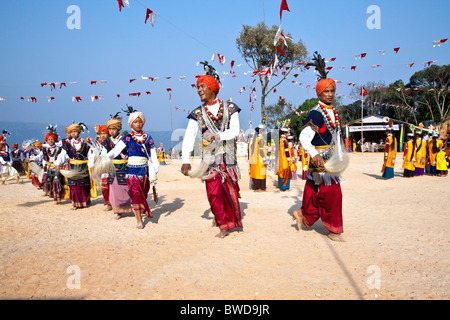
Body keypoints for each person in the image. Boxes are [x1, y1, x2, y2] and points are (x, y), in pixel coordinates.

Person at [181, 62, 243, 238]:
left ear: (213, 88)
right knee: (214, 191)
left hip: (228, 157)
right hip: (209, 159)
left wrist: (217, 136)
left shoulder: (231, 108)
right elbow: (189, 136)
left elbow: (235, 130)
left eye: (202, 86)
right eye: (198, 87)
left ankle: (226, 219)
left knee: (230, 190)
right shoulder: (197, 113)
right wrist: (186, 160)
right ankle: (224, 224)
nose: (199, 90)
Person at [293, 52, 347, 242]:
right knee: (331, 194)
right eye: (326, 91)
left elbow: (336, 137)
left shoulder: (335, 112)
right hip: (320, 162)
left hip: (332, 161)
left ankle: (303, 214)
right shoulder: (315, 114)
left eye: (332, 90)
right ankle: (334, 229)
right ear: (319, 93)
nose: (330, 94)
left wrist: (340, 157)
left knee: (314, 190)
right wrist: (314, 154)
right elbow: (304, 137)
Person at [105, 107, 159, 229]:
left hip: (144, 171)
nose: (138, 124)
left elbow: (153, 155)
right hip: (131, 172)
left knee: (143, 194)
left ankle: (140, 211)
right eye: (135, 122)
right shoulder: (127, 138)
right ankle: (139, 220)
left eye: (140, 122)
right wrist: (104, 158)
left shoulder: (148, 138)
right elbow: (115, 151)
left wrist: (155, 169)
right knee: (135, 194)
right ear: (131, 124)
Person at [55, 122, 93, 210]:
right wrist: (57, 163)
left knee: (84, 185)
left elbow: (90, 156)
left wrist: (91, 165)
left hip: (83, 167)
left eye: (75, 132)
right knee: (74, 186)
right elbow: (62, 155)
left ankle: (85, 201)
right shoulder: (67, 145)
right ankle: (75, 203)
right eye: (72, 132)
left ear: (79, 132)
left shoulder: (85, 144)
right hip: (72, 166)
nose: (73, 134)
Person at [100, 114, 131, 220]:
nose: (112, 131)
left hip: (124, 167)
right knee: (113, 189)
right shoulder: (106, 142)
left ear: (118, 129)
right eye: (110, 129)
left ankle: (125, 207)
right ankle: (117, 211)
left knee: (124, 188)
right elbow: (104, 155)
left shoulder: (124, 139)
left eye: (114, 129)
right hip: (112, 168)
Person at [41, 126, 64, 204]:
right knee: (49, 182)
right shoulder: (45, 150)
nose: (50, 141)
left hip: (57, 168)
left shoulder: (59, 149)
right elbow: (41, 157)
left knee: (56, 181)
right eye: (49, 139)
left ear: (55, 140)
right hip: (49, 168)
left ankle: (58, 198)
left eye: (52, 139)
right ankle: (53, 196)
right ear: (46, 141)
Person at [249, 124, 268, 192]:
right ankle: (260, 187)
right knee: (261, 173)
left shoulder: (256, 138)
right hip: (260, 159)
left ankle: (257, 187)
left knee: (257, 173)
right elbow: (261, 150)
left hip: (256, 159)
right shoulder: (260, 139)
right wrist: (264, 159)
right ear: (261, 131)